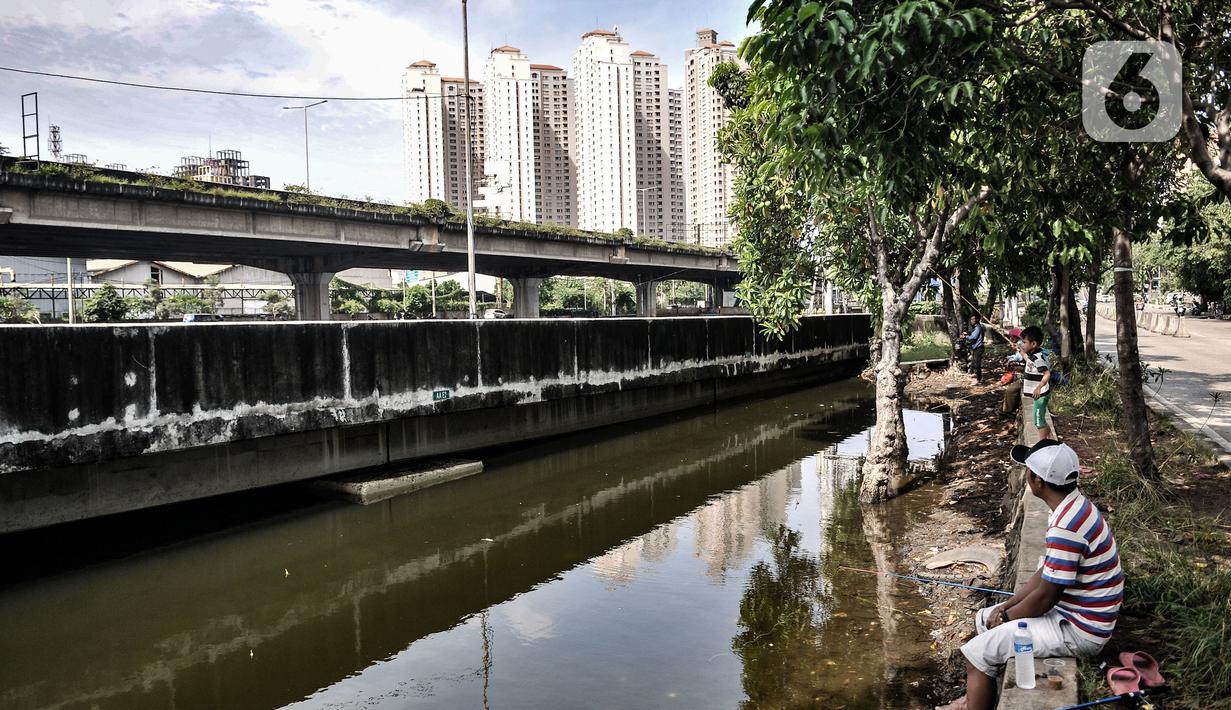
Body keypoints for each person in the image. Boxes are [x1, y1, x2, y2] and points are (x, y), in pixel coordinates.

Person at [937, 440, 1122, 710]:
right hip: (1078, 614)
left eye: (1027, 470)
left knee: (975, 654)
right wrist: (1006, 606)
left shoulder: (1066, 527)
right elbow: (1045, 573)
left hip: (1080, 629)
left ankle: (973, 703)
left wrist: (1007, 618)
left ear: (1037, 480)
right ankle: (974, 696)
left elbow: (1046, 597)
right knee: (982, 619)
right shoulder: (1074, 507)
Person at [1018, 325, 1054, 440]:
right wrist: (1021, 350)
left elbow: (1047, 374)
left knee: (1038, 421)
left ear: (1033, 344)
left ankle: (1042, 445)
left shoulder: (1038, 358)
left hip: (1041, 394)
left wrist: (1038, 387)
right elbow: (1026, 358)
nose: (1022, 344)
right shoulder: (1032, 355)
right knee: (1040, 419)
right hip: (1039, 394)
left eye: (1024, 342)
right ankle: (1051, 439)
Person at [962, 314, 985, 381]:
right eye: (971, 319)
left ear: (977, 320)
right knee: (976, 363)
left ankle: (979, 379)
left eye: (973, 319)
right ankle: (979, 377)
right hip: (976, 348)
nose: (971, 321)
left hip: (979, 348)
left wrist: (965, 337)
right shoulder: (976, 328)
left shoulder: (978, 328)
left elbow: (973, 337)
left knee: (977, 364)